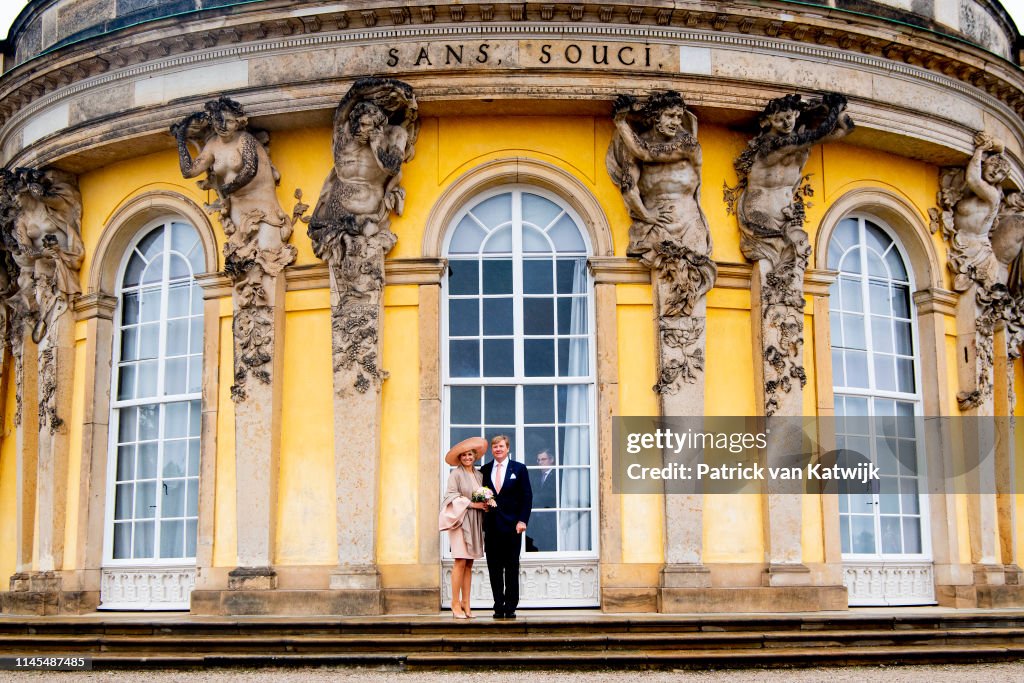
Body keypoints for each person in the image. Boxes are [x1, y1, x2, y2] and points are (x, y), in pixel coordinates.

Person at [438, 436, 494, 619]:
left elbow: (480, 497)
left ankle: (466, 604)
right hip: (461, 521)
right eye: (464, 456)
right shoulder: (455, 474)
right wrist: (472, 504)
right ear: (460, 458)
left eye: (470, 455)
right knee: (460, 561)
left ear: (474, 456)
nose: (467, 458)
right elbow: (450, 496)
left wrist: (485, 503)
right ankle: (455, 604)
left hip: (475, 521)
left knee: (469, 563)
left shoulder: (479, 475)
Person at [479, 434, 532, 618]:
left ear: (507, 448)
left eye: (501, 446)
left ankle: (510, 606)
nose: (498, 449)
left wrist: (522, 520)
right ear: (492, 450)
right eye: (495, 447)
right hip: (492, 527)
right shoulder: (484, 470)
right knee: (494, 568)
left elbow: (527, 497)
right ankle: (498, 605)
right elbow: (479, 494)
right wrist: (482, 504)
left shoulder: (519, 469)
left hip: (512, 527)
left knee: (511, 567)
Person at [526, 449, 556, 553]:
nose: (540, 462)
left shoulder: (558, 474)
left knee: (549, 544)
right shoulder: (537, 476)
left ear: (551, 459)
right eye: (538, 460)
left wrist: (534, 498)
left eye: (543, 459)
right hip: (537, 517)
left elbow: (552, 495)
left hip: (551, 516)